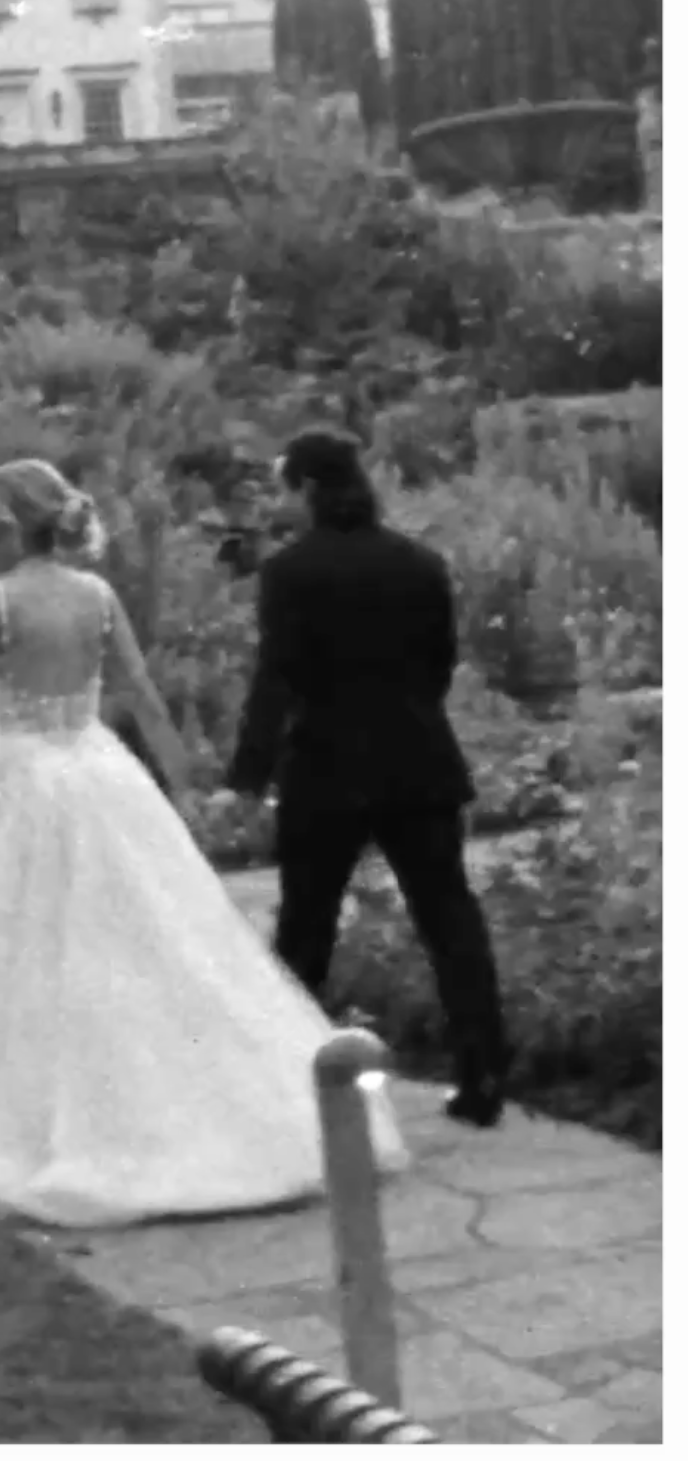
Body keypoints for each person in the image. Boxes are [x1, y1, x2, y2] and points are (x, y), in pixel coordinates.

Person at [0, 457, 407, 1229]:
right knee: (141, 936)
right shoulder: (96, 594)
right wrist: (184, 790)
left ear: (11, 522)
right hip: (100, 776)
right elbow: (143, 698)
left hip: (23, 783)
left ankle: (40, 1125)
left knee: (21, 948)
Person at [220, 430, 510, 1129]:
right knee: (450, 919)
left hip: (325, 765)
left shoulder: (290, 572)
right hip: (419, 759)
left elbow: (277, 680)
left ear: (310, 488)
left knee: (306, 927)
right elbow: (440, 663)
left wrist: (247, 777)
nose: (278, 499)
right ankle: (484, 1075)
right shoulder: (420, 562)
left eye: (283, 485)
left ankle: (294, 1086)